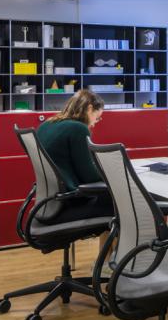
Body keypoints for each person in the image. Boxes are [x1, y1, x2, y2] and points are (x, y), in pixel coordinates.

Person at [35, 89, 112, 223]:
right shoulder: (78, 129)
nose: (96, 122)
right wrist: (113, 173)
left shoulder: (46, 125)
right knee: (121, 204)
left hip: (47, 204)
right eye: (97, 117)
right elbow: (89, 177)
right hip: (67, 205)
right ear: (89, 109)